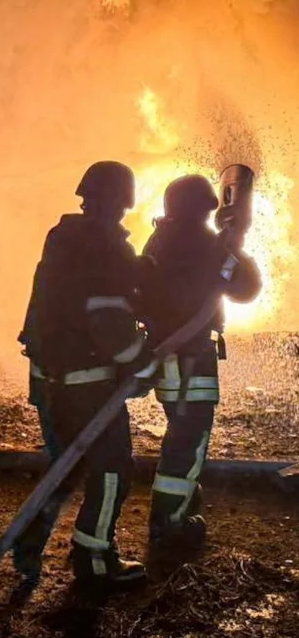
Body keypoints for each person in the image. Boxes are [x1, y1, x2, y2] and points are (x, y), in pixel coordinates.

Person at [12, 161, 157, 585]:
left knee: (65, 466)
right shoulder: (108, 245)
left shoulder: (63, 238)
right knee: (112, 469)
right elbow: (108, 320)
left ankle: (26, 546)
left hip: (48, 380)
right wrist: (141, 362)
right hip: (87, 384)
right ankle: (96, 562)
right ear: (125, 200)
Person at [139, 175, 260, 550]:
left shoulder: (160, 239)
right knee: (188, 442)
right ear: (201, 210)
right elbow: (244, 288)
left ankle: (184, 502)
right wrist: (237, 246)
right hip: (193, 359)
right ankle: (169, 524)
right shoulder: (202, 243)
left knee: (180, 434)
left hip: (169, 358)